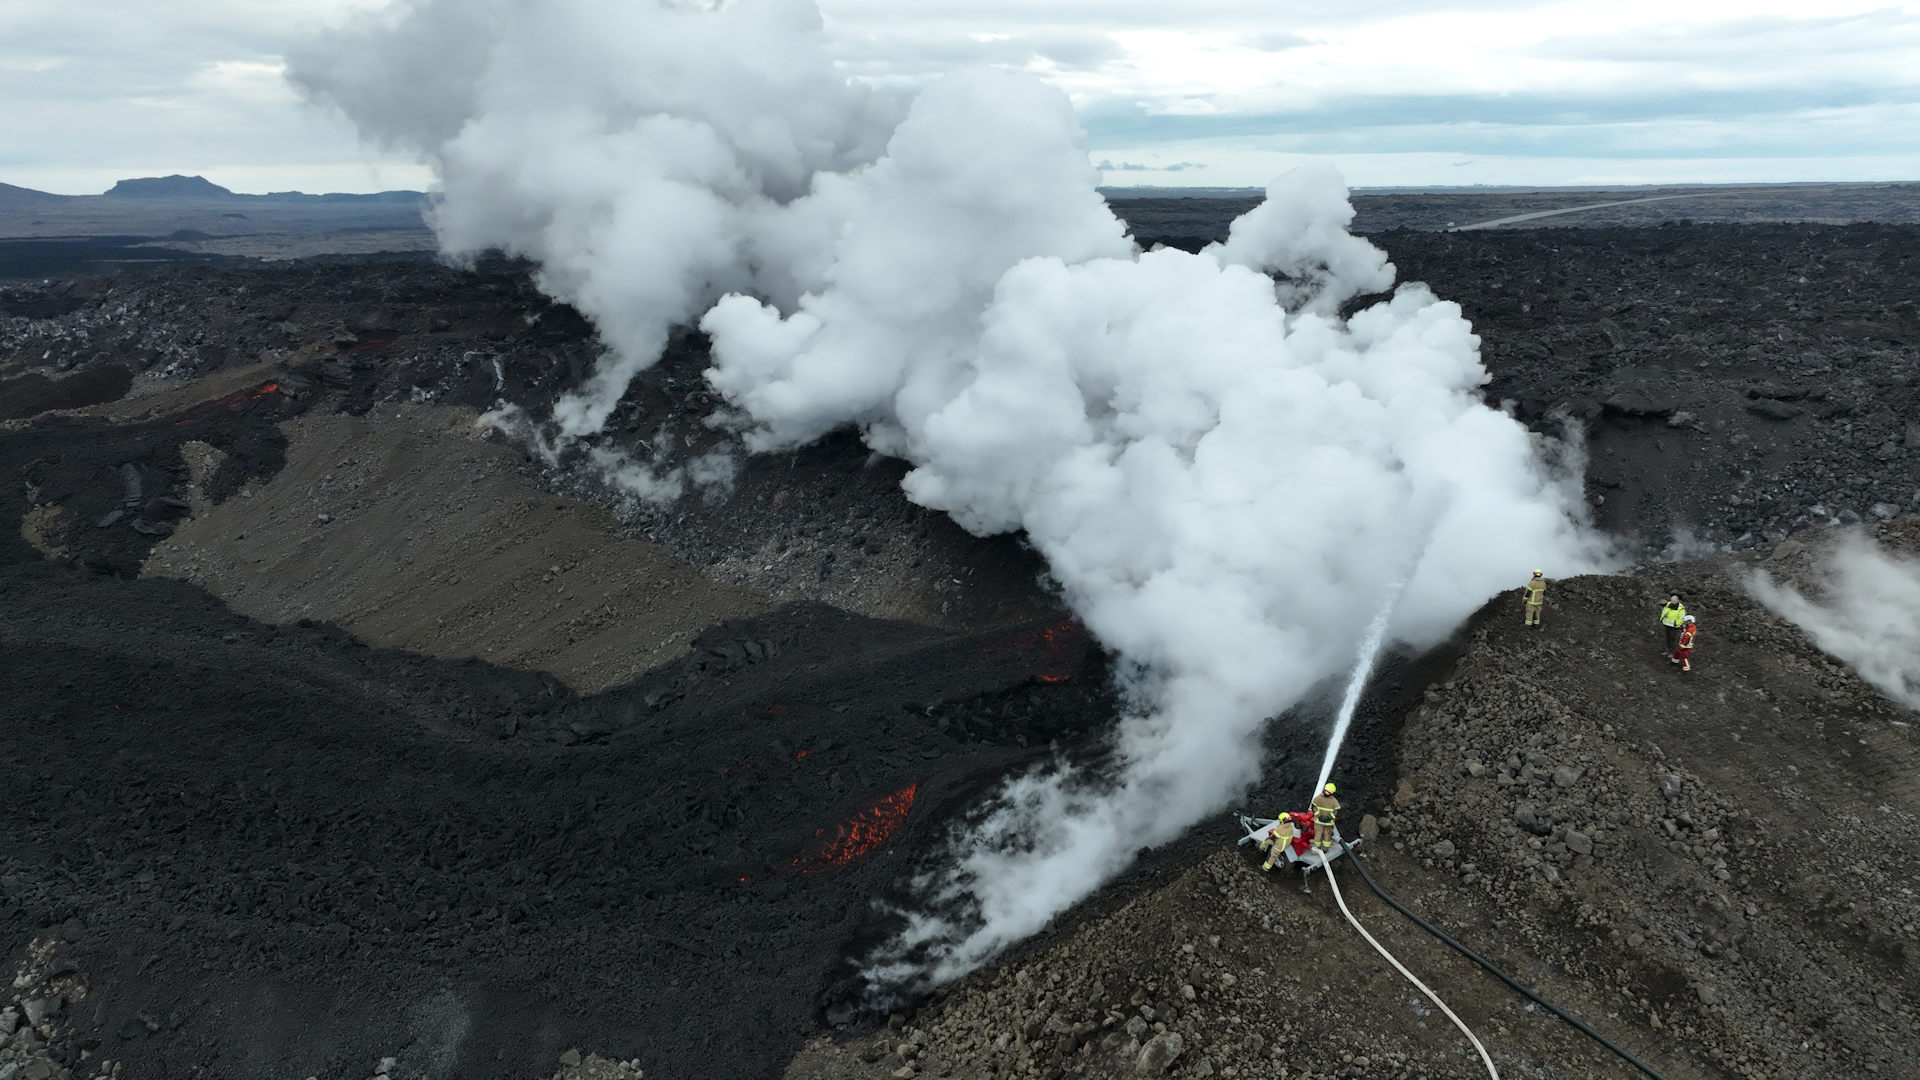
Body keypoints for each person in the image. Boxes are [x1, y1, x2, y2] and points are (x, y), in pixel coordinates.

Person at [1310, 783, 1341, 852]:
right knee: (1327, 834)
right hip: (1329, 823)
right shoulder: (1334, 801)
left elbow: (1313, 808)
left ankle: (1316, 848)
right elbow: (1335, 812)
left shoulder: (1318, 798)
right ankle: (1325, 849)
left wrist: (1319, 816)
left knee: (1318, 833)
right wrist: (1329, 818)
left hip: (1319, 821)